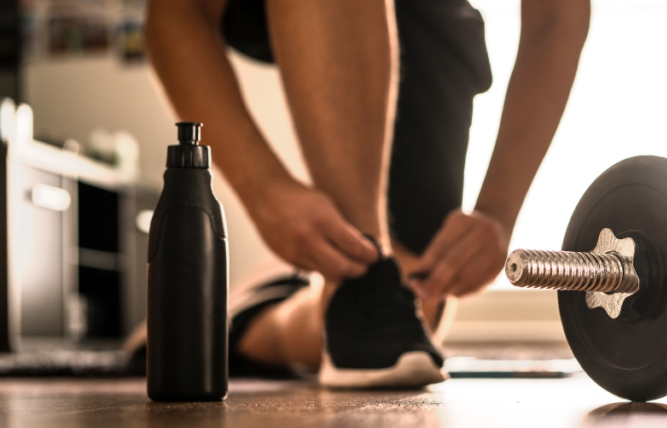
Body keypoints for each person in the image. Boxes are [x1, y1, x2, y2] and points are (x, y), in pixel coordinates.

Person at [140, 0, 590, 387]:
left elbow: (557, 16)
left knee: (418, 299)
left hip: (428, 17)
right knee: (373, 316)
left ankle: (249, 313)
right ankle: (358, 280)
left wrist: (499, 211)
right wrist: (264, 191)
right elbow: (176, 10)